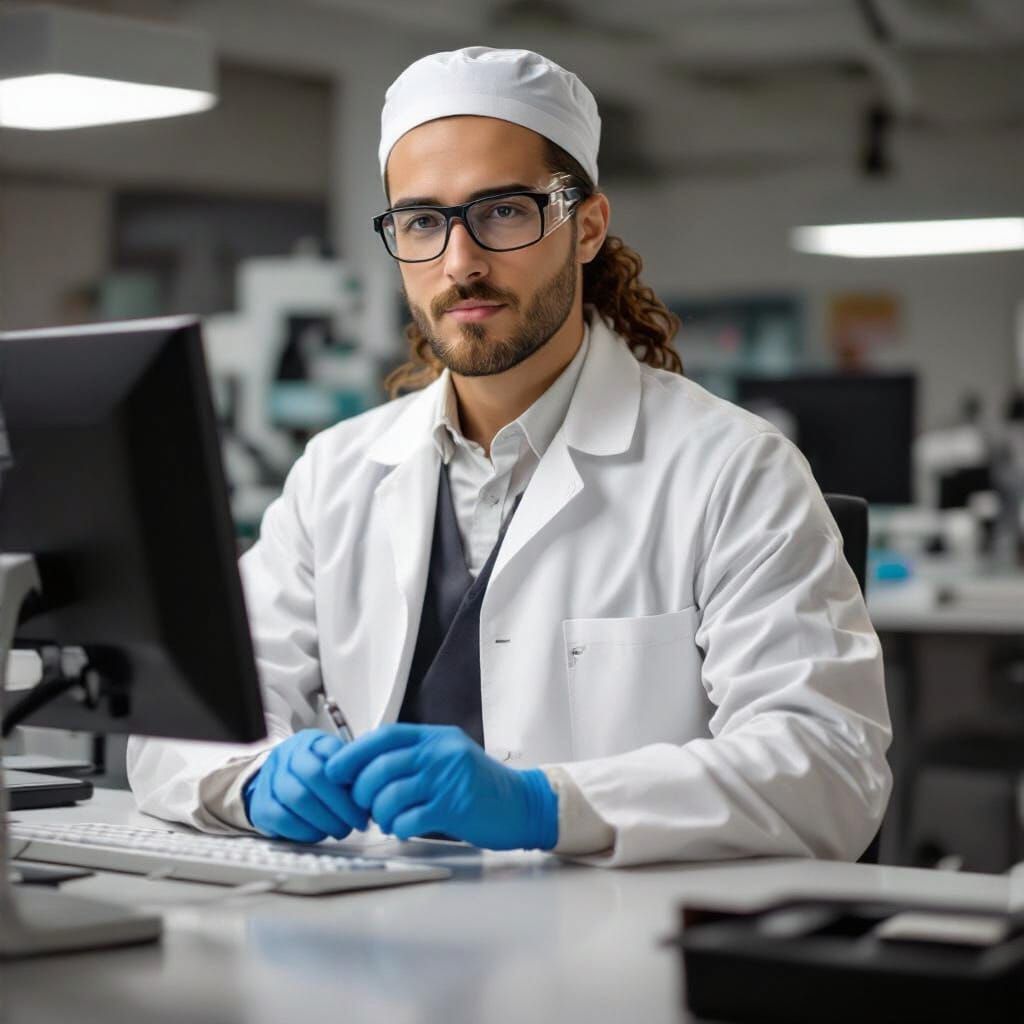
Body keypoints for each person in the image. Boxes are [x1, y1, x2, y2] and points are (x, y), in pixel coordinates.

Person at [128, 47, 891, 867]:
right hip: (369, 954)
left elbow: (829, 766)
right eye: (422, 221)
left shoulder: (733, 470)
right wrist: (254, 778)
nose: (460, 262)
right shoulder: (336, 475)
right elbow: (180, 722)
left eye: (502, 211)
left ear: (586, 225)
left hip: (614, 963)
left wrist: (548, 803)